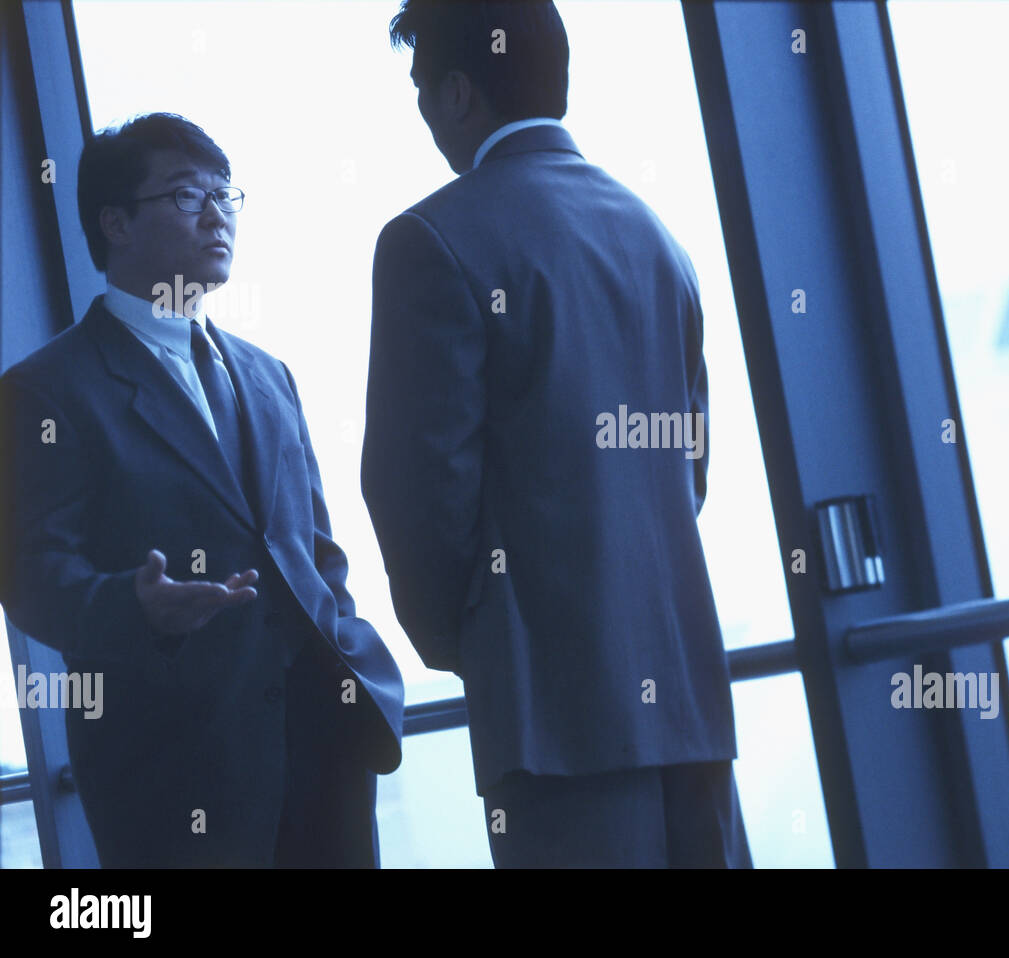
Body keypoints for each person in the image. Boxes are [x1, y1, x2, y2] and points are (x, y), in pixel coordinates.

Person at [363, 0, 750, 867]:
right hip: (685, 691)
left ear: (459, 93)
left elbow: (416, 487)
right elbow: (687, 467)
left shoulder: (432, 240)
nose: (424, 115)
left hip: (549, 706)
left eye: (423, 90)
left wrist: (468, 640)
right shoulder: (652, 232)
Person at [0, 113, 404, 867]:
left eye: (227, 195)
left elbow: (317, 554)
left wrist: (350, 654)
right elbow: (30, 578)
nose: (218, 215)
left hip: (325, 760)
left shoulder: (267, 374)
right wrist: (136, 606)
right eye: (188, 196)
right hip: (179, 779)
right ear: (114, 223)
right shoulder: (46, 391)